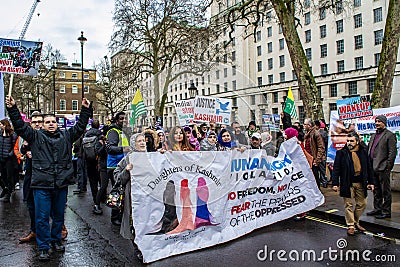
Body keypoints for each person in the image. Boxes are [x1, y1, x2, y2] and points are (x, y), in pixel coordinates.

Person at [6, 95, 91, 261]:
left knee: (59, 215)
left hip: (60, 184)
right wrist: (13, 108)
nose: (51, 124)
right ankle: (43, 246)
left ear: (57, 123)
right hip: (42, 185)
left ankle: (56, 239)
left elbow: (81, 126)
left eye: (53, 121)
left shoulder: (67, 136)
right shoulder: (36, 136)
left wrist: (85, 110)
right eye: (48, 122)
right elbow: (19, 126)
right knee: (42, 217)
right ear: (43, 125)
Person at [332, 132, 374, 235]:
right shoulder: (341, 153)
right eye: (348, 141)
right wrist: (335, 183)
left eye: (352, 141)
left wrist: (371, 182)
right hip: (347, 183)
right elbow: (336, 169)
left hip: (360, 183)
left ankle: (355, 221)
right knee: (348, 205)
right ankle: (351, 225)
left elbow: (369, 168)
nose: (349, 143)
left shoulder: (363, 152)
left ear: (357, 142)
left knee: (362, 203)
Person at [113, 133, 147, 262]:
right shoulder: (128, 159)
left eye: (144, 140)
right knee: (135, 223)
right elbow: (117, 177)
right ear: (134, 144)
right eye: (139, 141)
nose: (143, 143)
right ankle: (138, 248)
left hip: (148, 197)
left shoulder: (152, 157)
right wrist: (126, 171)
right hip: (133, 197)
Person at [367, 115, 397, 219]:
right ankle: (377, 208)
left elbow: (392, 153)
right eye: (376, 121)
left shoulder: (390, 135)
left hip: (383, 168)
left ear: (384, 123)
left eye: (379, 121)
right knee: (376, 190)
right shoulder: (373, 135)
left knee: (385, 191)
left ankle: (386, 211)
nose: (377, 123)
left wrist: (387, 166)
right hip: (373, 167)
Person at [18, 111, 42, 243]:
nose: (37, 124)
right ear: (31, 123)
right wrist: (25, 149)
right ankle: (34, 231)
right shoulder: (28, 135)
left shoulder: (47, 136)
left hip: (44, 177)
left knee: (47, 207)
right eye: (34, 122)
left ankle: (58, 229)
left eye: (39, 121)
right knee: (31, 205)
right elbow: (22, 149)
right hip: (30, 175)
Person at [106, 112, 131, 226]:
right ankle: (115, 216)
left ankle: (120, 215)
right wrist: (123, 149)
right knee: (117, 190)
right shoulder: (113, 131)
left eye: (125, 119)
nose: (124, 120)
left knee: (123, 190)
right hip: (115, 165)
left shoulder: (124, 131)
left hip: (124, 164)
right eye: (121, 119)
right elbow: (110, 148)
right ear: (117, 120)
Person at [83, 120, 103, 212]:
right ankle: (101, 198)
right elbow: (101, 149)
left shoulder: (86, 135)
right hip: (98, 162)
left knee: (92, 182)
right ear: (98, 126)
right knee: (102, 181)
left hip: (88, 161)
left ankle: (95, 199)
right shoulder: (100, 134)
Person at [303, 118, 326, 188]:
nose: (303, 126)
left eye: (305, 124)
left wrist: (317, 159)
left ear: (309, 125)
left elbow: (321, 147)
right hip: (309, 159)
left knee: (315, 178)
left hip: (314, 159)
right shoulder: (307, 134)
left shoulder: (316, 134)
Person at [0, 119, 18, 203]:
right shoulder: (0, 134)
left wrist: (9, 154)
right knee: (2, 176)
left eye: (1, 124)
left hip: (9, 159)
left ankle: (8, 194)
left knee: (9, 176)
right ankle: (5, 189)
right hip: (1, 158)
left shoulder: (12, 135)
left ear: (4, 125)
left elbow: (14, 146)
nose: (0, 126)